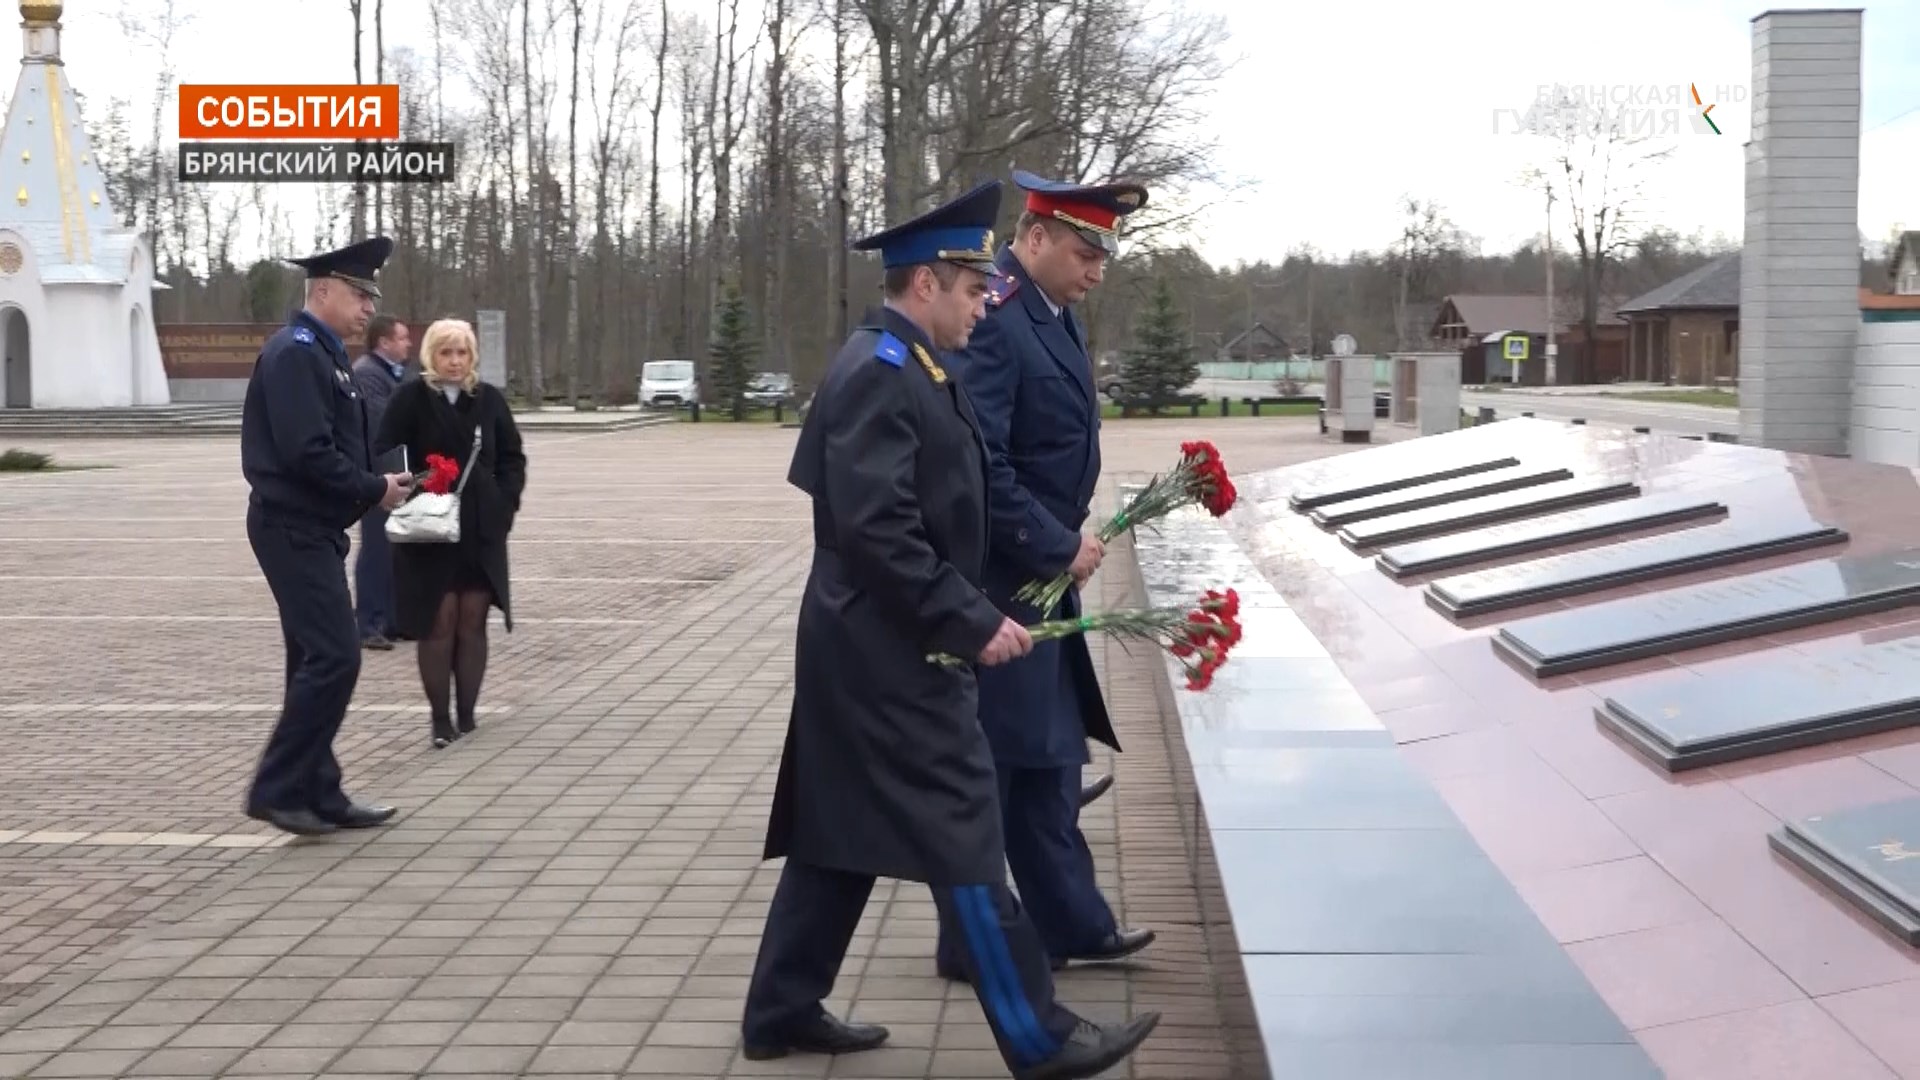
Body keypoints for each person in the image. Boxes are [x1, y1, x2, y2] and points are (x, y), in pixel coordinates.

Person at [739, 179, 1159, 1080]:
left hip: (868, 645)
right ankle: (1038, 1035)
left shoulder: (911, 364)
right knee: (967, 834)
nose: (985, 303)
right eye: (973, 289)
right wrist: (973, 622)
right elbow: (878, 532)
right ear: (926, 284)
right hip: (889, 654)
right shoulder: (878, 374)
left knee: (835, 830)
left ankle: (781, 1007)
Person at [935, 170, 1156, 981]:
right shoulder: (996, 319)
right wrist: (1053, 542)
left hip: (1040, 573)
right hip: (1001, 579)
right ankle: (975, 943)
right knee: (1006, 764)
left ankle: (1070, 922)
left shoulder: (1052, 316)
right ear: (1033, 239)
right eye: (1083, 247)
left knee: (1046, 759)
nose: (1098, 267)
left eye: (1104, 254)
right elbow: (978, 460)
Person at [239, 236, 412, 838]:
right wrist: (372, 489)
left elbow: (336, 444)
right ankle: (276, 787)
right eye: (361, 293)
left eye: (371, 295)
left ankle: (319, 789)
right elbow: (307, 452)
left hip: (313, 526)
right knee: (337, 655)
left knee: (311, 660)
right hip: (291, 527)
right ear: (323, 291)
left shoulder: (328, 353)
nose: (370, 306)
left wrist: (378, 479)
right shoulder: (296, 353)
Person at [374, 318, 527, 749]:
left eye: (462, 352)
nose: (455, 361)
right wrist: (412, 490)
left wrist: (503, 505)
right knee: (438, 622)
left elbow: (512, 458)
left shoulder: (489, 399)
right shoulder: (411, 398)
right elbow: (386, 452)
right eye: (446, 352)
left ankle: (467, 714)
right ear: (431, 356)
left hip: (481, 530)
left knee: (472, 622)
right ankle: (441, 720)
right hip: (430, 531)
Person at [350, 315, 413, 651]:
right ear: (384, 342)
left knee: (392, 550)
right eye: (402, 338)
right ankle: (368, 622)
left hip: (393, 476)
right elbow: (382, 425)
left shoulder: (390, 373)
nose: (408, 344)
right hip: (377, 477)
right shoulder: (367, 374)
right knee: (376, 550)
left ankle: (390, 620)